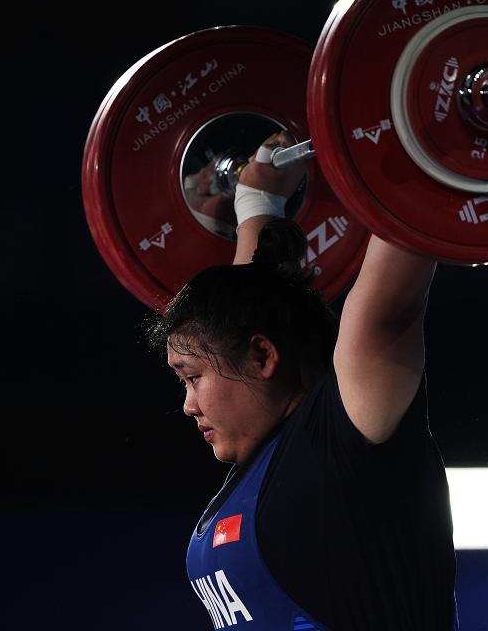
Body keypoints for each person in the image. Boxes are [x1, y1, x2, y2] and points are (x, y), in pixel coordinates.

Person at [145, 131, 459, 630]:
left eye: (193, 377)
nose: (188, 404)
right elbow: (246, 312)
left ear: (264, 357)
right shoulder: (262, 462)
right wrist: (257, 203)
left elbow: (388, 308)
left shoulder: (345, 438)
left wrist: (422, 140)